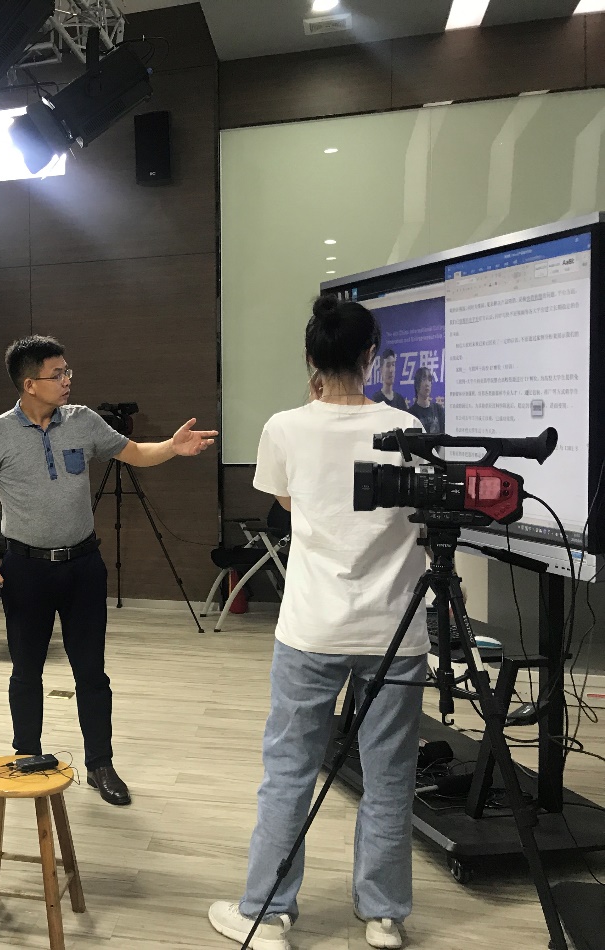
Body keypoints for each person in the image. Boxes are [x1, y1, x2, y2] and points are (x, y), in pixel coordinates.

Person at [207, 295, 428, 950]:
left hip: (310, 630)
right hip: (394, 632)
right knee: (389, 775)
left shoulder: (283, 428)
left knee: (289, 772)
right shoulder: (407, 428)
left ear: (310, 358)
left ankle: (266, 915)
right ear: (370, 356)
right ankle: (384, 916)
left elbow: (288, 499)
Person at [0, 335, 217, 806]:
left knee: (92, 672)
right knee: (26, 670)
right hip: (26, 569)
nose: (67, 380)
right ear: (29, 383)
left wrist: (171, 446)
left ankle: (100, 763)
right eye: (57, 374)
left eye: (67, 371)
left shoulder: (83, 421)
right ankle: (28, 756)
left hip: (82, 566)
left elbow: (135, 452)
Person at [406, 366, 444, 435]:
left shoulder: (438, 410)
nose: (427, 384)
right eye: (423, 379)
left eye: (429, 380)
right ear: (417, 384)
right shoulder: (410, 414)